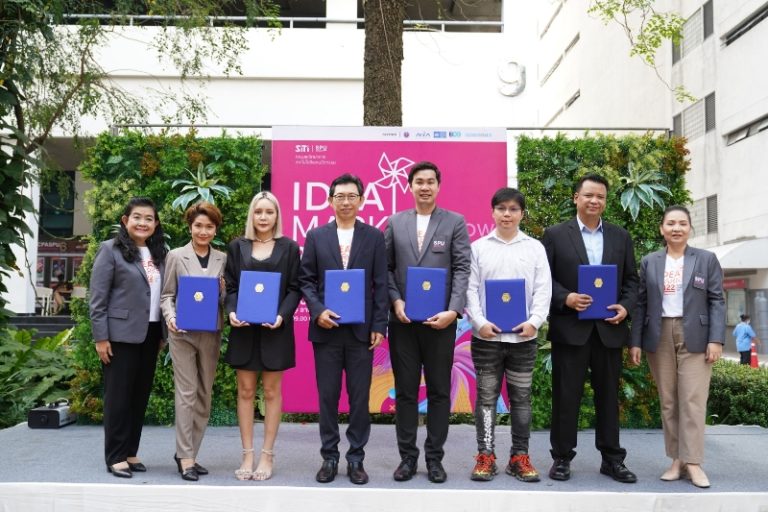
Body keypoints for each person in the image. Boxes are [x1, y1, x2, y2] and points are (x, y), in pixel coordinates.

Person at [541, 174, 639, 484]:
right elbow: (543, 279)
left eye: (600, 197)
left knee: (608, 398)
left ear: (605, 201)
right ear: (576, 198)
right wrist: (566, 297)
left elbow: (632, 280)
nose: (594, 201)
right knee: (566, 396)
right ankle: (561, 458)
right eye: (588, 195)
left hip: (609, 329)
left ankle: (612, 459)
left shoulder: (620, 236)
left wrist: (625, 306)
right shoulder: (555, 235)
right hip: (571, 329)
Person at [299, 174, 389, 485]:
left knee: (360, 398)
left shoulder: (374, 237)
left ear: (361, 200)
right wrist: (317, 311)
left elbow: (381, 283)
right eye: (340, 196)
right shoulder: (316, 236)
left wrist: (379, 325)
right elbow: (306, 280)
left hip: (362, 333)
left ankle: (356, 459)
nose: (346, 202)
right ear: (330, 201)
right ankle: (329, 457)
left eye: (352, 196)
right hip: (326, 330)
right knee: (327, 396)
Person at [385, 161, 471, 483]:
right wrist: (396, 300)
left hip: (441, 324)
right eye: (419, 181)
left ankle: (435, 459)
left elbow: (462, 268)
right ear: (410, 186)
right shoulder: (395, 222)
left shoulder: (454, 222)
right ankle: (407, 458)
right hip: (404, 323)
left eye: (430, 181)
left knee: (438, 392)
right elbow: (386, 268)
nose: (424, 187)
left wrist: (453, 310)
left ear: (438, 186)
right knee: (406, 393)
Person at [630, 205, 726, 488]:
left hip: (695, 334)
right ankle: (676, 460)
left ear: (689, 228)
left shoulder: (706, 259)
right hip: (658, 334)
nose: (676, 228)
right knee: (669, 401)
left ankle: (693, 462)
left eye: (682, 223)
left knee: (692, 400)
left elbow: (717, 300)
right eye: (670, 223)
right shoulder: (650, 261)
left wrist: (716, 339)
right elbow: (641, 303)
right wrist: (635, 341)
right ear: (662, 229)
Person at [465, 187, 552, 482]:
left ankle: (519, 457)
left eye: (513, 209)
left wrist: (535, 322)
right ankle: (486, 456)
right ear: (492, 212)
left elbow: (543, 289)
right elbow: (470, 290)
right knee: (486, 399)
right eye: (501, 208)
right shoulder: (478, 248)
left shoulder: (535, 248)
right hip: (486, 339)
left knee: (522, 399)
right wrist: (479, 322)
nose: (507, 214)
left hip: (523, 339)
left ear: (522, 214)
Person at [225, 191, 301, 481]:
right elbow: (231, 286)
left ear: (277, 215)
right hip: (244, 330)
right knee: (245, 391)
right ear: (251, 215)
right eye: (258, 212)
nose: (263, 217)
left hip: (275, 330)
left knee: (271, 392)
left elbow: (295, 288)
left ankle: (267, 455)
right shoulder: (237, 246)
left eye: (269, 212)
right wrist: (232, 311)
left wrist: (281, 315)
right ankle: (247, 454)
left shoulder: (289, 248)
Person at [89, 197, 167, 478]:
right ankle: (115, 456)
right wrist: (101, 338)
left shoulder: (160, 254)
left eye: (149, 218)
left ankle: (131, 452)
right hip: (119, 336)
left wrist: (163, 334)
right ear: (125, 220)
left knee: (139, 396)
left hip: (151, 334)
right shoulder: (110, 250)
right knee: (118, 398)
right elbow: (97, 299)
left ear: (155, 224)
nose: (142, 223)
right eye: (137, 217)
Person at [160, 202, 226, 481]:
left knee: (204, 394)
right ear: (190, 226)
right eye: (198, 225)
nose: (203, 231)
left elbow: (224, 300)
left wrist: (223, 293)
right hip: (182, 333)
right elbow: (167, 295)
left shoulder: (223, 258)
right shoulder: (176, 256)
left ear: (215, 229)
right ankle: (185, 456)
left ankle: (190, 454)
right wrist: (171, 317)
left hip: (210, 333)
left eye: (209, 226)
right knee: (187, 393)